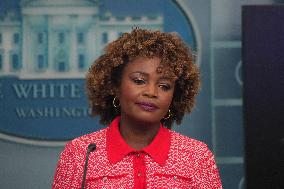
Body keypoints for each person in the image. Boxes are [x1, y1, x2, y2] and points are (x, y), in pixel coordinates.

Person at [52, 28, 223, 189]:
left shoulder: (196, 156)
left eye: (164, 86)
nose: (151, 92)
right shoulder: (80, 154)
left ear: (174, 96)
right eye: (139, 81)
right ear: (115, 86)